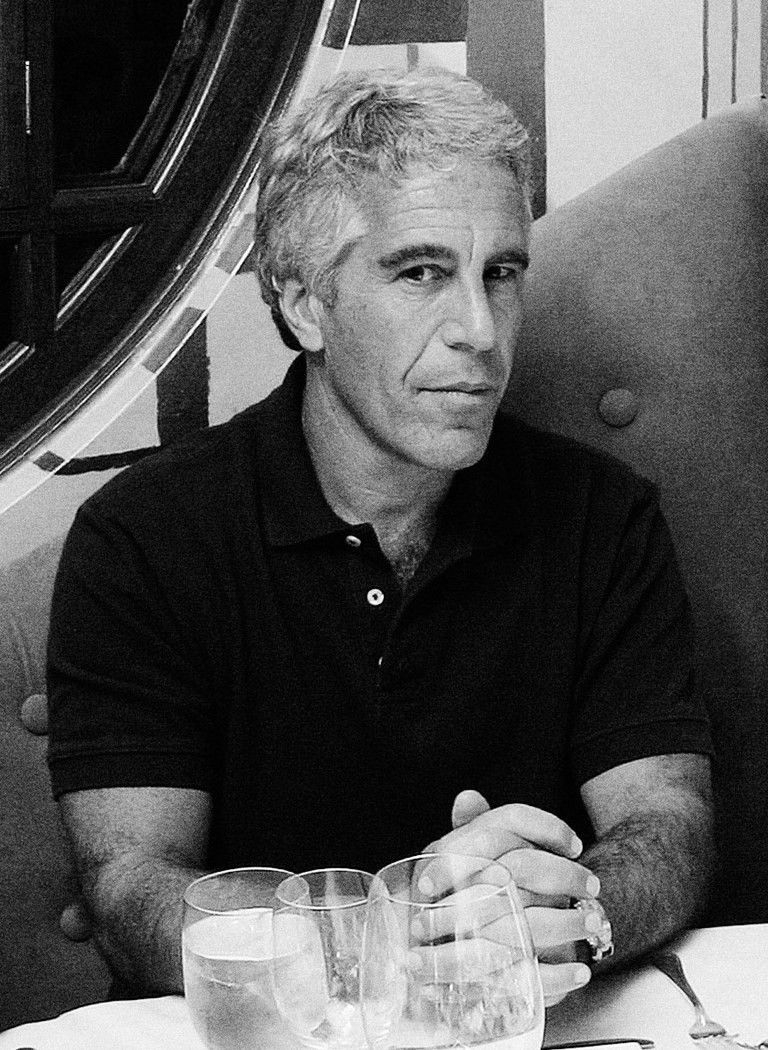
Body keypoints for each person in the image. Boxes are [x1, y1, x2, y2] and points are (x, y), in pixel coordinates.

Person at [47, 66, 714, 1008]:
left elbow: (669, 825)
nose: (479, 330)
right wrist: (386, 942)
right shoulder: (144, 539)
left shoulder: (602, 516)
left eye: (501, 274)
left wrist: (571, 909)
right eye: (420, 273)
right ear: (303, 303)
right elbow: (129, 886)